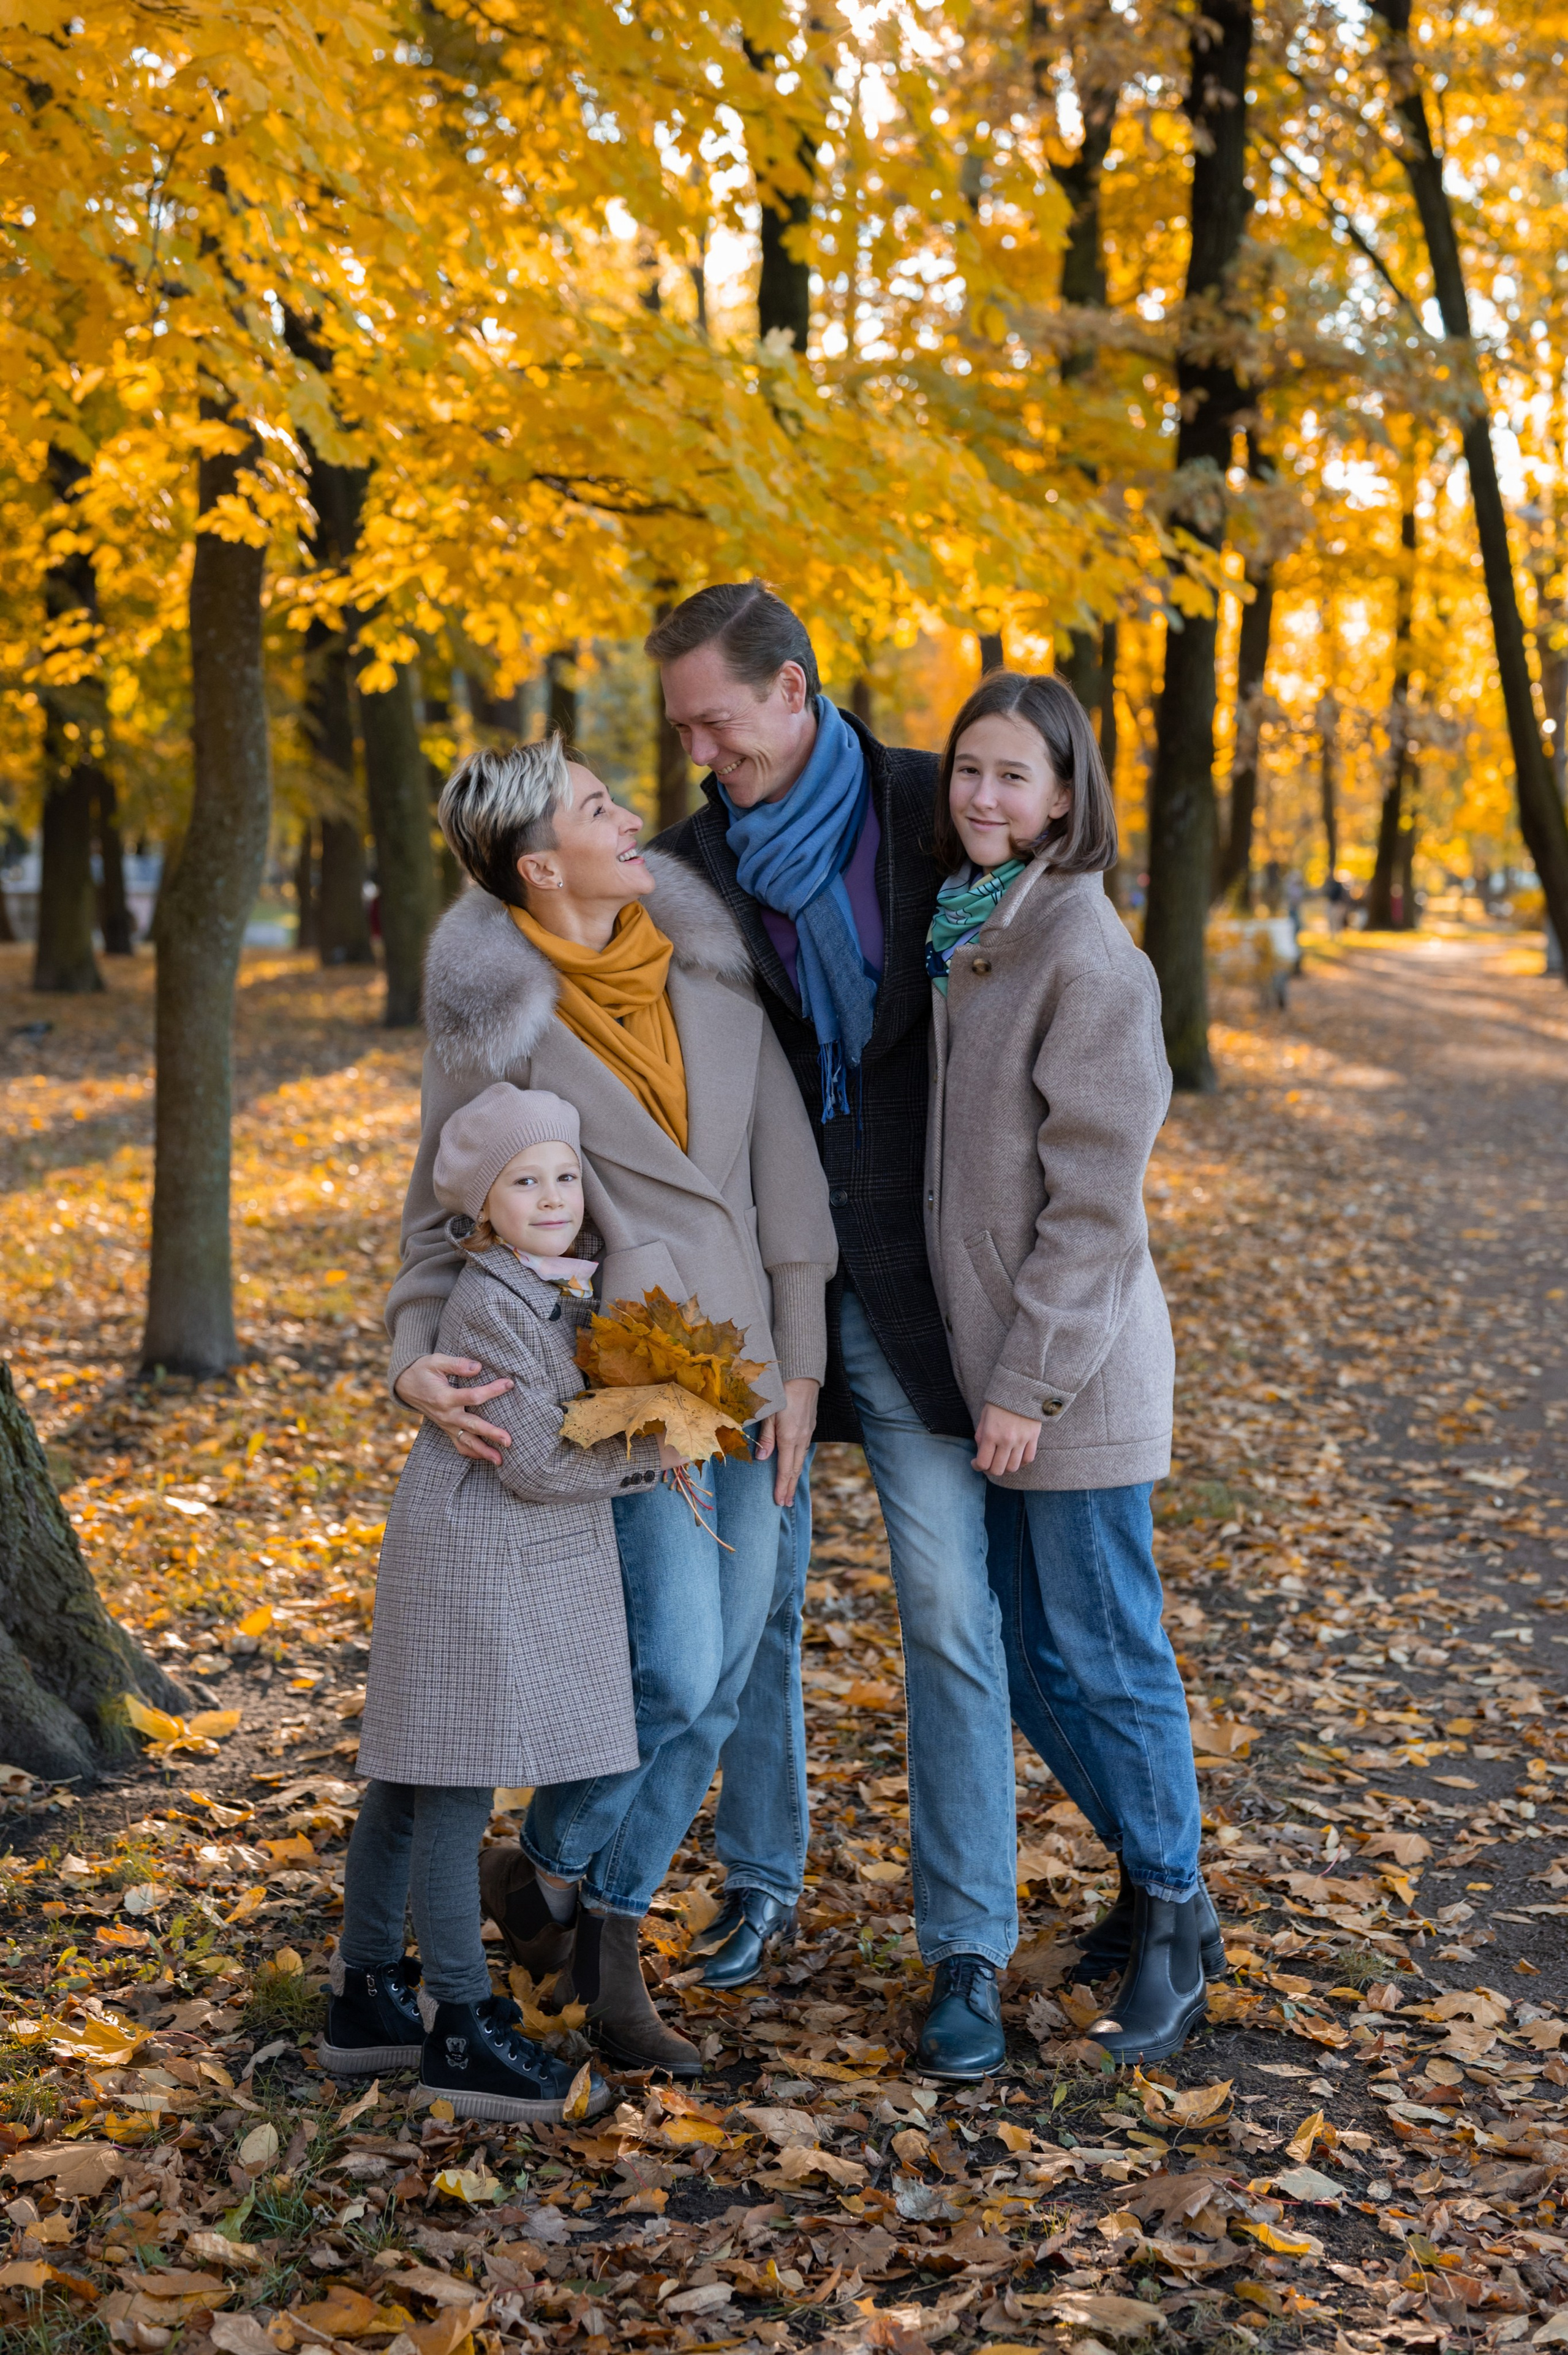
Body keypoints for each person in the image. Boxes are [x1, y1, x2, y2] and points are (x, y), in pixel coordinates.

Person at [383, 735, 837, 2073]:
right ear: (540, 864)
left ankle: (592, 1913)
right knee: (675, 1665)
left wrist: (802, 1361)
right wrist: (414, 1357)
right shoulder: (495, 1026)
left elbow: (785, 1190)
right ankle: (555, 1870)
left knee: (731, 1664)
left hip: (753, 1371)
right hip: (625, 1400)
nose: (633, 815)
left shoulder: (710, 970)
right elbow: (435, 1224)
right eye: (598, 807)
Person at [649, 583, 1018, 2079]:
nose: (698, 754)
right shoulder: (682, 866)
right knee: (753, 1606)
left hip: (920, 1293)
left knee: (947, 1612)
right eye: (680, 730)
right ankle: (754, 1885)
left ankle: (967, 1949)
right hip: (757, 1288)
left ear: (792, 692)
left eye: (716, 725)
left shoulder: (941, 807)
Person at [922, 668, 1218, 2065]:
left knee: (1103, 1651)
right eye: (967, 769)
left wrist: (1024, 1380)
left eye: (1011, 776)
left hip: (1066, 1374)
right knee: (1032, 1663)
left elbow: (1094, 1208)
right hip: (995, 1375)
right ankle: (1155, 1877)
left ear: (1060, 797)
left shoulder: (1085, 956)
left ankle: (1172, 1917)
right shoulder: (967, 931)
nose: (982, 795)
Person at [325, 1084, 679, 2120]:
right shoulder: (491, 1301)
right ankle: (459, 2021)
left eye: (566, 1175)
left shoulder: (548, 1288)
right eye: (526, 1183)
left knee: (406, 1776)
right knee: (453, 1786)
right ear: (484, 1211)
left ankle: (363, 1992)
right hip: (473, 1557)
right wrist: (654, 1443)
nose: (555, 1196)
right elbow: (532, 1459)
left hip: (480, 1550)